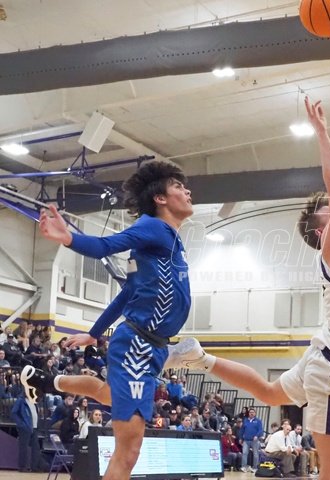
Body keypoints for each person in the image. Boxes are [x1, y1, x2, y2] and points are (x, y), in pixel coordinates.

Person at [161, 96, 330, 480]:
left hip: (326, 358)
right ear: (323, 233)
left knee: (269, 393)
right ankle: (198, 357)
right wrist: (321, 130)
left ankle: (199, 358)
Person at [20, 161, 198, 480]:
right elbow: (106, 245)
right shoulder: (154, 227)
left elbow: (128, 292)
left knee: (106, 395)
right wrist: (69, 238)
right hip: (138, 346)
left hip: (152, 347)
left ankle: (45, 382)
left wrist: (93, 334)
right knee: (128, 453)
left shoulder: (169, 240)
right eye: (178, 187)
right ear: (160, 198)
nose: (187, 191)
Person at [240, 407, 264, 472]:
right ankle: (243, 467)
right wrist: (240, 438)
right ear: (248, 413)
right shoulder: (245, 420)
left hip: (255, 441)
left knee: (255, 454)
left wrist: (257, 435)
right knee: (244, 453)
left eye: (253, 412)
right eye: (250, 412)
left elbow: (260, 430)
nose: (251, 413)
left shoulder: (258, 421)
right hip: (246, 440)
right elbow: (242, 430)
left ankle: (255, 468)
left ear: (255, 413)